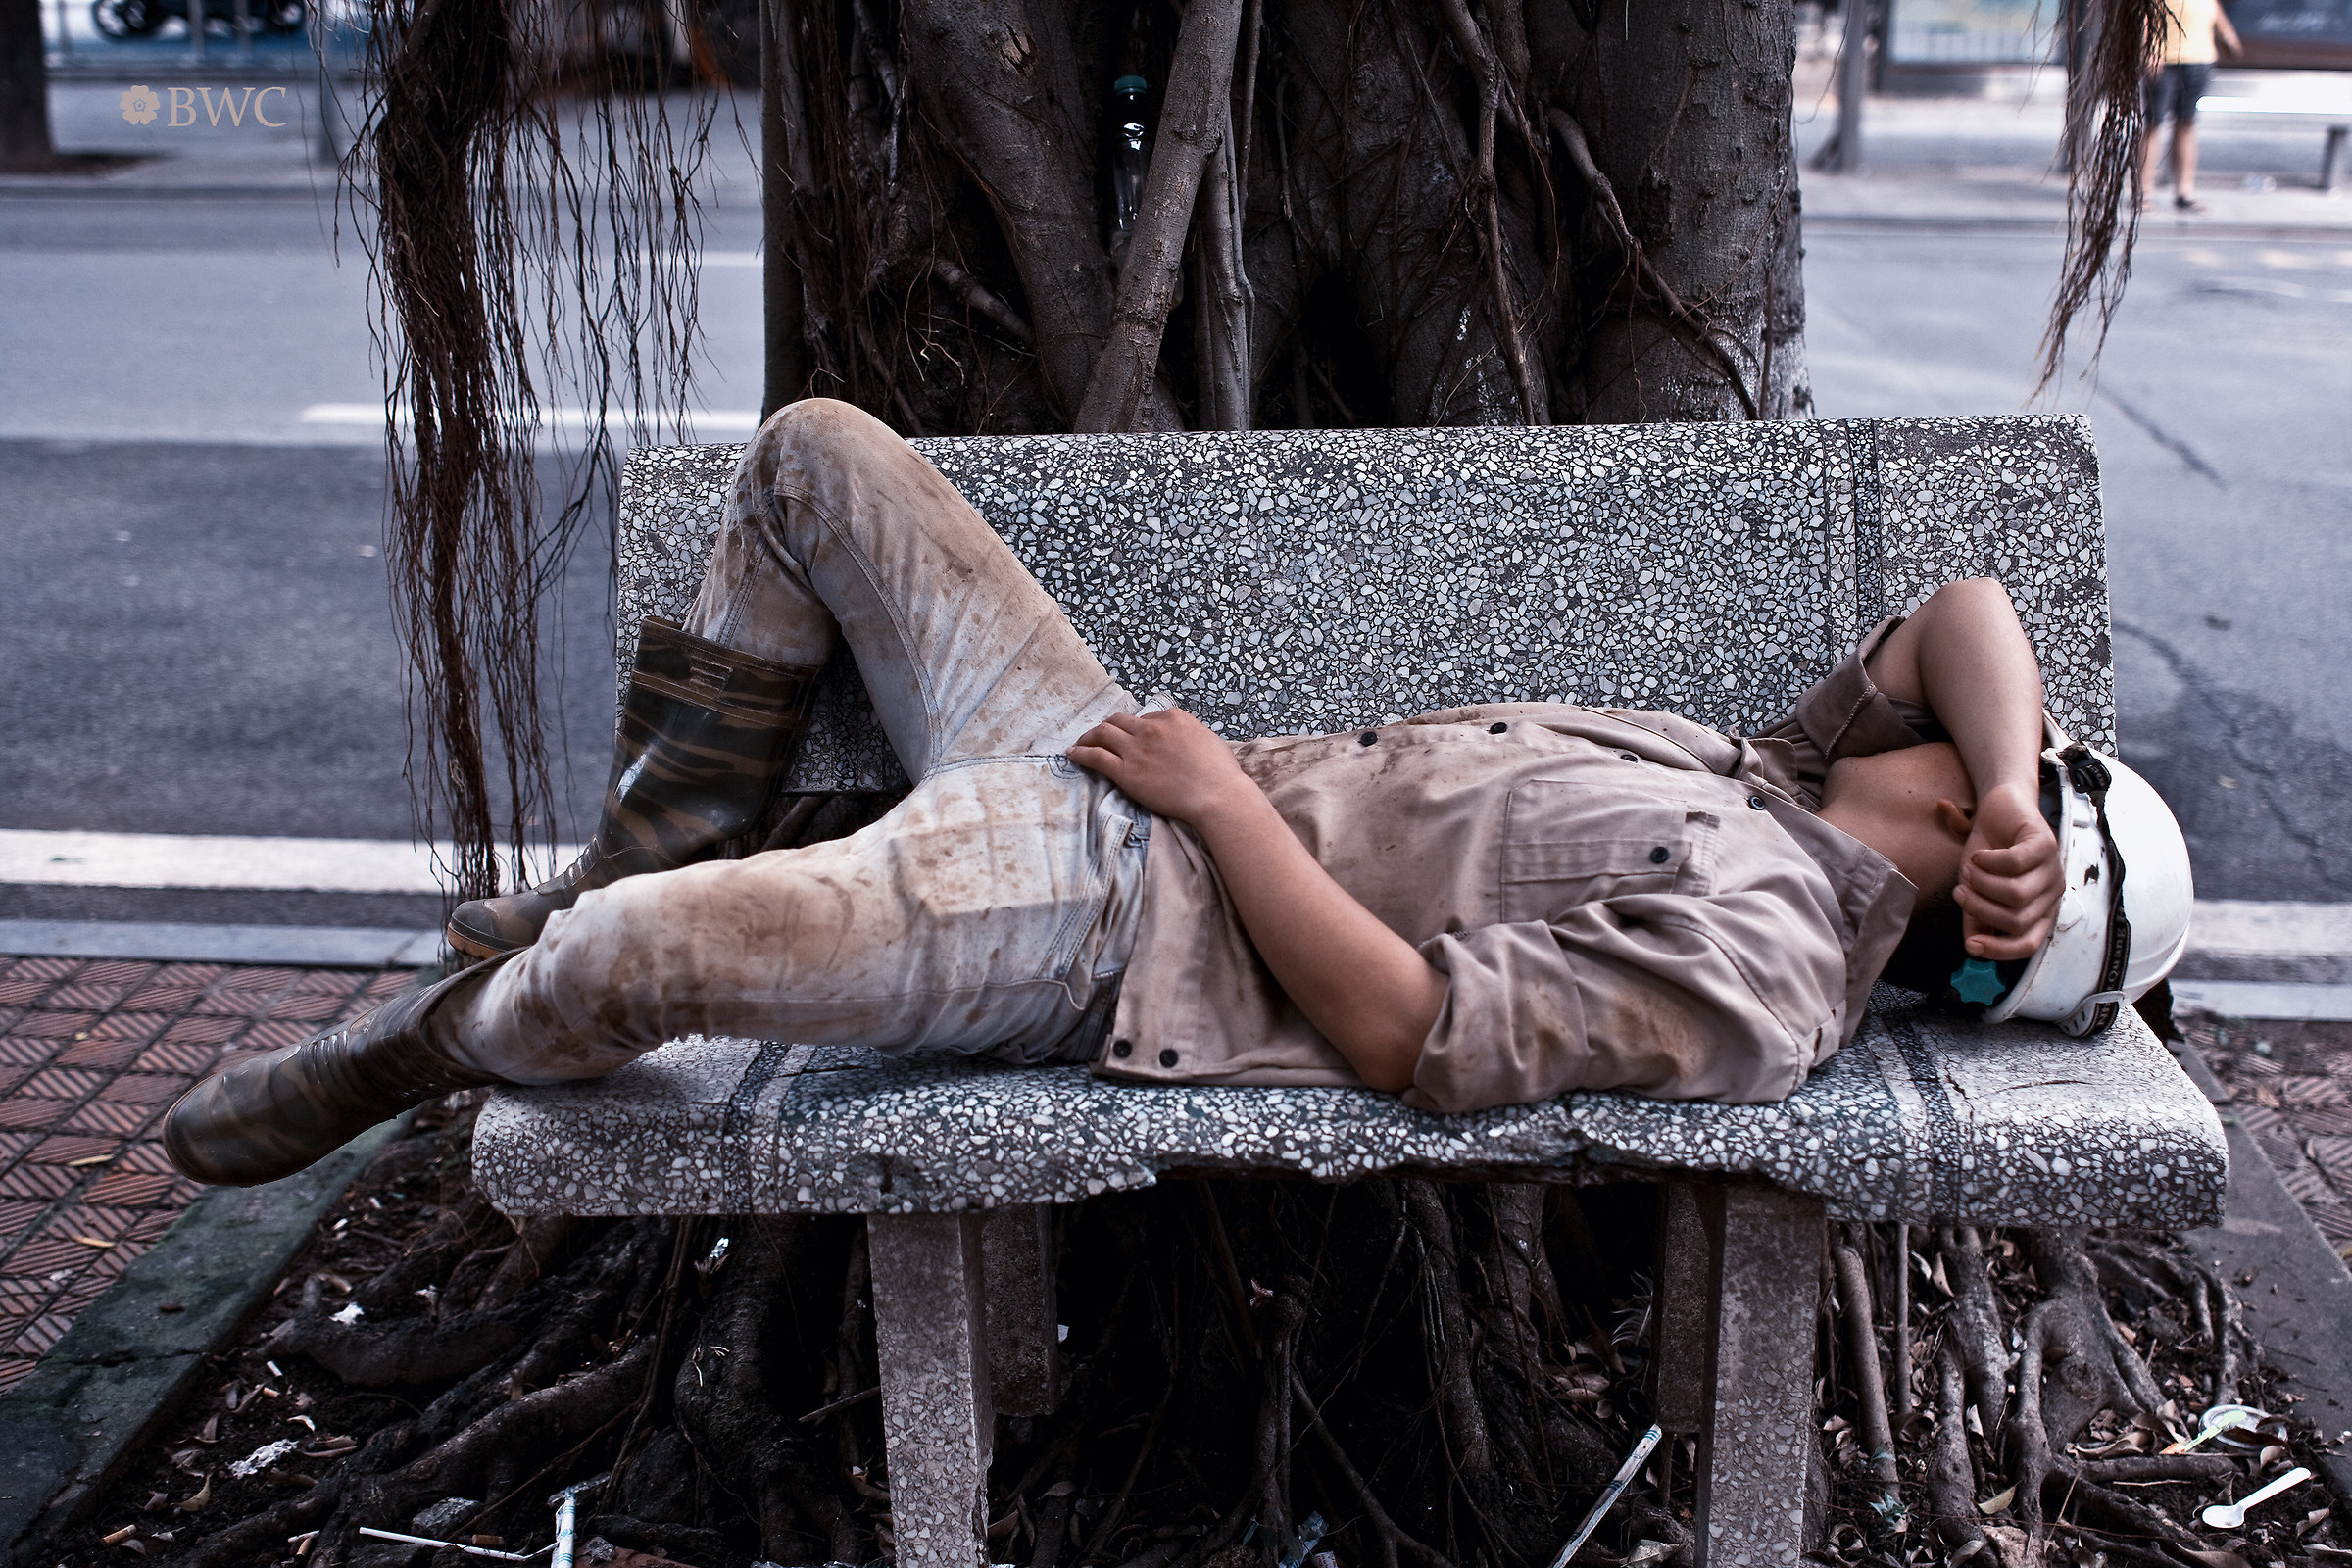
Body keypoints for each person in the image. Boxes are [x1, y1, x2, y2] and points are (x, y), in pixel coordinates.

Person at [162, 400, 2192, 1187]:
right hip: (1089, 750)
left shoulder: (1764, 968)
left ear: (1987, 895)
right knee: (811, 456)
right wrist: (2014, 780)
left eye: (2006, 773)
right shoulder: (1765, 773)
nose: (1958, 734)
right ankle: (633, 844)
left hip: (1096, 916)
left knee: (637, 962)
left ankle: (418, 1052)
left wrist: (1223, 812)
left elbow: (1422, 1040)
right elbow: (1964, 608)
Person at [2143, 0, 2241, 214]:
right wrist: (2149, 47)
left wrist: (2226, 33)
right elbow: (2143, 12)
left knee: (2186, 123)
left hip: (2200, 56)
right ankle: (2144, 192)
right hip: (2165, 57)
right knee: (2154, 123)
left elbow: (2212, 6)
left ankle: (2184, 192)